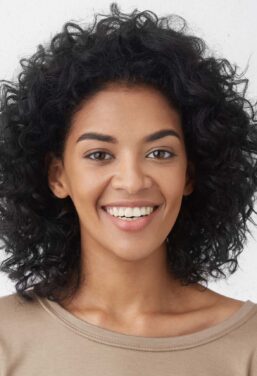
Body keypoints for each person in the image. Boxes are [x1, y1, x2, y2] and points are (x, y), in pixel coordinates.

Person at [0, 2, 257, 375]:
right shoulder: (6, 339)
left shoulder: (248, 345)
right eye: (100, 154)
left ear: (190, 173)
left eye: (159, 152)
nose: (133, 181)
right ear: (58, 176)